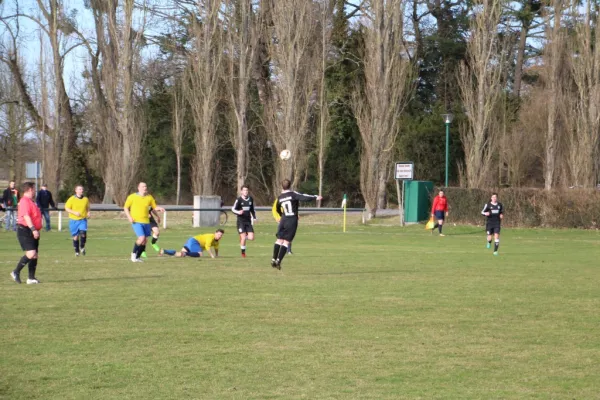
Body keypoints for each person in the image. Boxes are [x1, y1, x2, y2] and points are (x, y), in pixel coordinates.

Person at [271, 179, 322, 270]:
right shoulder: (293, 194)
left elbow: (278, 209)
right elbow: (304, 197)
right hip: (292, 220)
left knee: (279, 240)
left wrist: (281, 216)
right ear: (290, 186)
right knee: (286, 242)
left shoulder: (280, 197)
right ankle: (278, 260)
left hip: (284, 219)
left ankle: (273, 258)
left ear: (282, 186)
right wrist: (315, 197)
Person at [124, 182, 164, 262]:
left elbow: (154, 207)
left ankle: (138, 257)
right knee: (141, 238)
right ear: (138, 188)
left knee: (145, 241)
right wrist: (129, 217)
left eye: (145, 186)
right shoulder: (132, 197)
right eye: (143, 186)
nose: (144, 188)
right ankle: (133, 255)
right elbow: (125, 207)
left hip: (146, 222)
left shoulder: (149, 197)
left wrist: (159, 208)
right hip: (136, 221)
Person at [10, 182, 42, 284]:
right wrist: (33, 229)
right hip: (25, 230)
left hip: (32, 230)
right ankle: (16, 272)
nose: (35, 191)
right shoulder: (24, 201)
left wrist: (36, 229)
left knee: (35, 255)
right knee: (31, 253)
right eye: (34, 189)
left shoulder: (31, 201)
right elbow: (26, 216)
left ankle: (31, 278)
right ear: (30, 190)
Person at [159, 229, 224, 258]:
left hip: (192, 241)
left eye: (221, 235)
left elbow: (216, 248)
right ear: (215, 233)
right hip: (194, 241)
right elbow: (207, 247)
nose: (219, 236)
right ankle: (185, 253)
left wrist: (217, 255)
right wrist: (212, 255)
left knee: (179, 254)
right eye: (218, 234)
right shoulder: (210, 237)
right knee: (200, 254)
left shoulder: (216, 241)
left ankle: (164, 251)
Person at [64, 185, 90, 256]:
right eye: (80, 189)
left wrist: (88, 212)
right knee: (75, 237)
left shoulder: (85, 199)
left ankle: (82, 247)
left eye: (82, 189)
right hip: (73, 220)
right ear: (76, 191)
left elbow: (87, 207)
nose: (81, 190)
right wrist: (74, 212)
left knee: (83, 233)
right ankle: (77, 251)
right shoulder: (72, 199)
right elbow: (66, 208)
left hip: (82, 220)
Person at [232, 185, 256, 258]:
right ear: (241, 191)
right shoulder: (238, 200)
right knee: (243, 237)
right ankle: (243, 253)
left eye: (247, 190)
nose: (245, 191)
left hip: (248, 221)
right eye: (244, 190)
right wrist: (238, 212)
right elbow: (233, 209)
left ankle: (243, 237)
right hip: (241, 221)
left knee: (251, 238)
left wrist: (254, 217)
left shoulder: (250, 199)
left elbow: (252, 209)